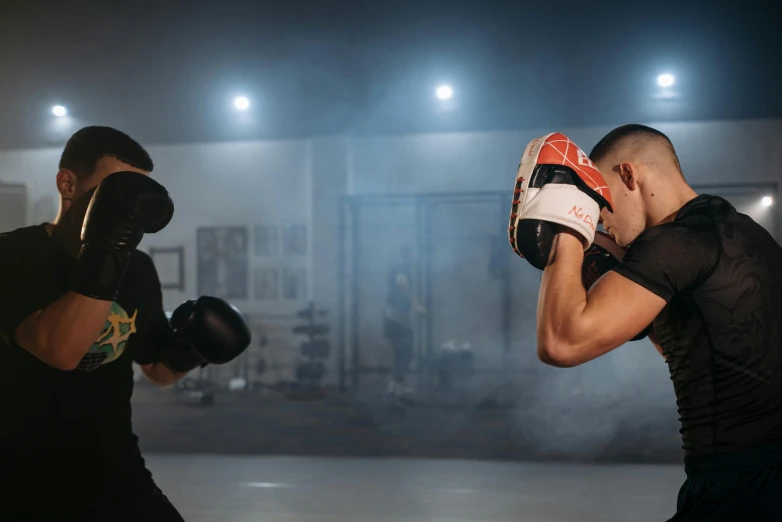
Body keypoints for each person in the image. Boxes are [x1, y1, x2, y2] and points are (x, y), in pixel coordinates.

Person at [509, 125, 782, 521]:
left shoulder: (672, 242)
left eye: (599, 201)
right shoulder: (744, 234)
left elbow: (561, 343)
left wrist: (566, 225)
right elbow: (709, 354)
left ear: (628, 175)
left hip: (742, 489)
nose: (599, 220)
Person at [0, 126, 252, 521]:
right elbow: (60, 351)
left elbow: (156, 370)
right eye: (115, 194)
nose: (128, 209)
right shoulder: (12, 255)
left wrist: (194, 348)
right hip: (22, 482)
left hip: (116, 471)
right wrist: (108, 248)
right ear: (68, 183)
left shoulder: (137, 269)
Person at [383, 245, 426, 401]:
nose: (417, 259)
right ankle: (396, 388)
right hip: (397, 316)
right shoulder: (401, 266)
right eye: (415, 255)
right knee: (407, 353)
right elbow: (402, 283)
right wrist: (416, 303)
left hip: (392, 315)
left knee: (400, 354)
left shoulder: (399, 266)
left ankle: (395, 388)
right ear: (408, 254)